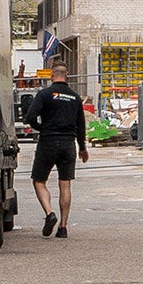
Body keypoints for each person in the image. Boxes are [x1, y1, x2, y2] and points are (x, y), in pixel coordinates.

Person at [23, 66, 88, 238]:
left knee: (39, 181)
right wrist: (82, 147)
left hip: (48, 142)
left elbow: (30, 117)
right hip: (68, 144)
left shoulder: (45, 94)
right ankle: (63, 227)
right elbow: (81, 125)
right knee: (65, 184)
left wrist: (42, 128)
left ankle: (50, 213)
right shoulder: (75, 97)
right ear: (67, 76)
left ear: (52, 75)